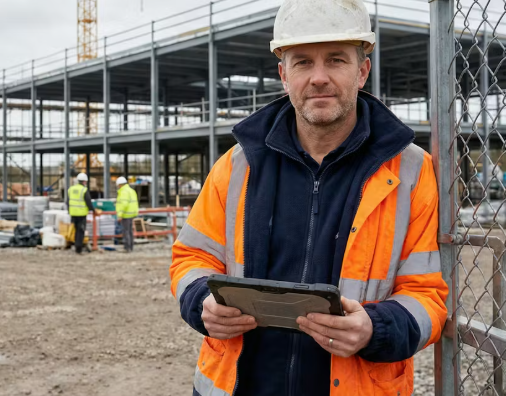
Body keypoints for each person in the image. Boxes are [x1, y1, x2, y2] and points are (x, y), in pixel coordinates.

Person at [169, 0, 449, 394]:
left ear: (362, 70)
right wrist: (203, 303)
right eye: (302, 62)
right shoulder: (237, 165)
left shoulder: (410, 171)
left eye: (336, 60)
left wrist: (375, 328)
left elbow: (428, 294)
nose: (319, 78)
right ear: (284, 75)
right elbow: (190, 259)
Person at [66, 173, 97, 254]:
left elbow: (67, 202)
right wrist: (93, 210)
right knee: (81, 231)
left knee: (76, 230)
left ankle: (76, 246)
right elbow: (88, 202)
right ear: (84, 182)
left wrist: (69, 210)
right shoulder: (84, 190)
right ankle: (78, 248)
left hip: (73, 213)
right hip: (81, 213)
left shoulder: (71, 189)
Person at [115, 177, 139, 253]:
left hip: (126, 214)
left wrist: (120, 215)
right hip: (131, 214)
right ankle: (130, 247)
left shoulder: (123, 192)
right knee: (130, 231)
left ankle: (127, 247)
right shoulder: (131, 190)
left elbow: (123, 204)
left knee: (126, 231)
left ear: (120, 185)